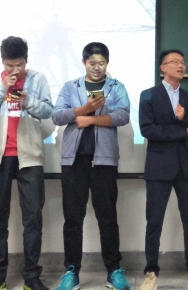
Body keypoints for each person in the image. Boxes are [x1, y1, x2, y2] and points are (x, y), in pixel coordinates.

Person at [52, 43, 132, 290]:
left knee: (107, 217)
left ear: (107, 63)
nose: (97, 68)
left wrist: (91, 119)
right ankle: (71, 272)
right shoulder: (70, 87)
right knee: (72, 219)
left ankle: (113, 271)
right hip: (74, 161)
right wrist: (84, 109)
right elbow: (57, 115)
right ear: (84, 63)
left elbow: (123, 115)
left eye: (102, 63)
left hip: (104, 161)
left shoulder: (116, 87)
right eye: (92, 63)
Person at [0, 36, 54, 290]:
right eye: (9, 65)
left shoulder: (38, 80)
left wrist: (27, 101)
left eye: (19, 64)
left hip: (29, 155)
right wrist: (2, 89)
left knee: (32, 218)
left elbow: (48, 111)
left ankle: (32, 277)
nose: (15, 70)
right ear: (3, 61)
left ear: (26, 60)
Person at [138, 50, 188, 290]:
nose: (181, 66)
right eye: (175, 62)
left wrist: (185, 118)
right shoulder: (148, 95)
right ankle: (151, 272)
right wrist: (181, 132)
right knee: (154, 222)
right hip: (158, 166)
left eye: (183, 62)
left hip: (185, 167)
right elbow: (147, 130)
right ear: (163, 67)